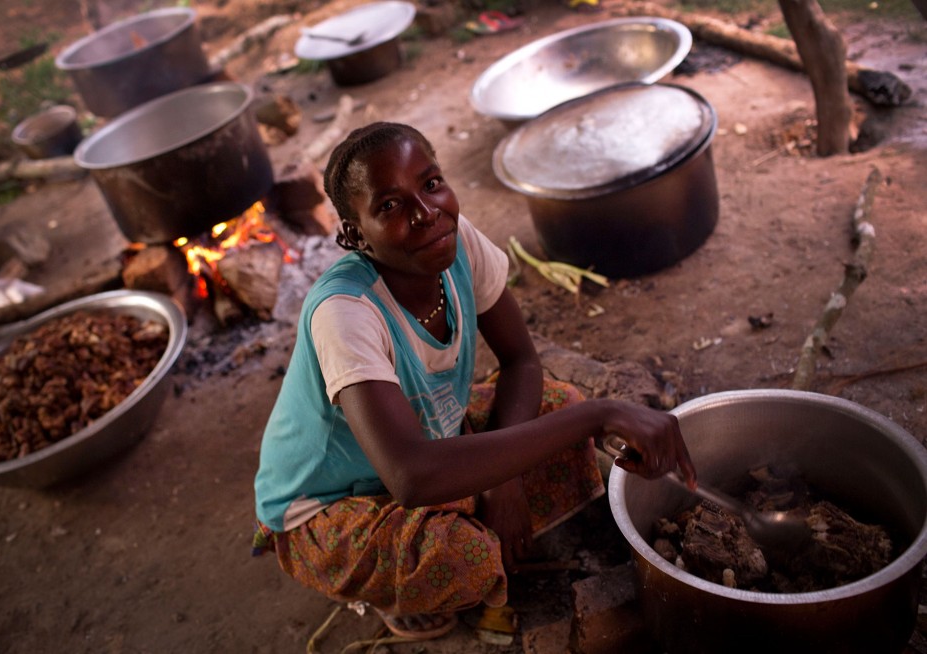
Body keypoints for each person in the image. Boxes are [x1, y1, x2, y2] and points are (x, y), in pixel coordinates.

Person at [252, 122, 696, 641]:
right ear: (353, 233)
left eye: (432, 183)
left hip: (430, 441)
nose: (425, 213)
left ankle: (474, 515)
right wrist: (598, 416)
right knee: (463, 557)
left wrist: (502, 481)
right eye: (390, 206)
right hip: (330, 503)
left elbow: (522, 363)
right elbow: (411, 478)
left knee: (557, 404)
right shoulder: (345, 312)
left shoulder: (456, 241)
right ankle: (390, 590)